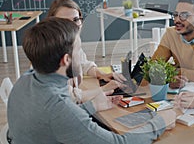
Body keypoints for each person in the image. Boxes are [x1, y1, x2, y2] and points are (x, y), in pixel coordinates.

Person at [7, 17, 176, 143]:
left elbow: (56, 122)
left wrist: (91, 106)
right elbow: (119, 142)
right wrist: (160, 123)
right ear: (66, 60)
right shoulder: (60, 108)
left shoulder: (25, 80)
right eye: (79, 50)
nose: (82, 56)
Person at [47, 0, 126, 103]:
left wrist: (102, 74)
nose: (73, 26)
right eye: (65, 22)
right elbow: (68, 97)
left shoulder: (73, 44)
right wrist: (103, 89)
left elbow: (84, 64)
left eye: (76, 20)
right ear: (52, 23)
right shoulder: (48, 53)